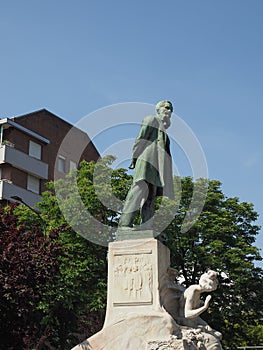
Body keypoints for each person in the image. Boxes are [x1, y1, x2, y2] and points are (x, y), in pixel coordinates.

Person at [118, 100, 174, 230]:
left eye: (171, 109)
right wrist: (135, 158)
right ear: (158, 109)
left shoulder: (162, 128)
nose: (169, 111)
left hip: (156, 167)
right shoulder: (151, 119)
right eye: (166, 108)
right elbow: (141, 139)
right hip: (146, 161)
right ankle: (124, 224)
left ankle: (147, 226)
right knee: (139, 190)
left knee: (151, 197)